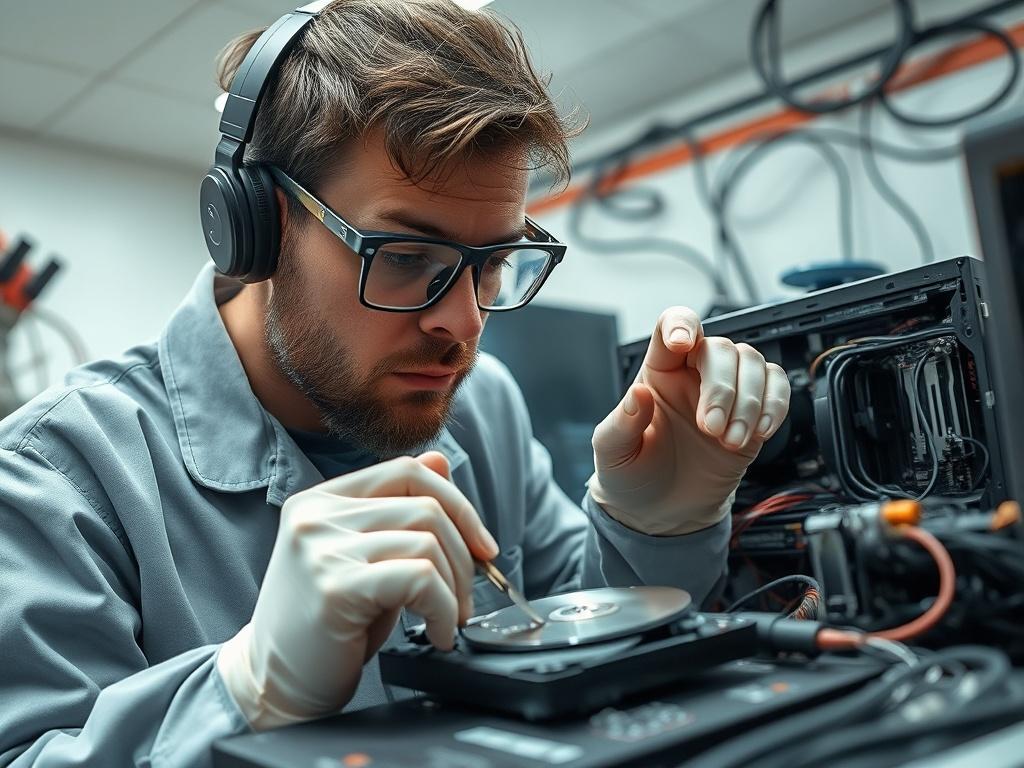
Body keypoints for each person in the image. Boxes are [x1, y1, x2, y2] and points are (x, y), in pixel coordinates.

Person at [0, 1, 790, 766]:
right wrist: (246, 688)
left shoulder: (484, 406)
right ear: (264, 228)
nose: (465, 324)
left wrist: (655, 526)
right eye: (408, 259)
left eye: (496, 264)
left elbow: (570, 645)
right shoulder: (55, 478)